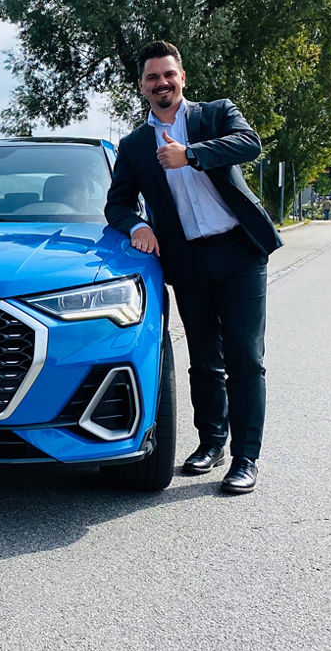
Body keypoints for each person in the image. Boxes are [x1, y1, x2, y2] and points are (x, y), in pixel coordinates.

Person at [105, 40, 283, 494]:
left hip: (239, 253)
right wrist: (136, 228)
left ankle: (246, 458)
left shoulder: (215, 115)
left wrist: (191, 154)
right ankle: (211, 444)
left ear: (182, 78)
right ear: (142, 87)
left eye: (168, 74)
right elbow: (117, 204)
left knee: (244, 356)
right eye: (152, 77)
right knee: (204, 359)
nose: (161, 83)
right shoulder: (135, 144)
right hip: (187, 259)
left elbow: (249, 144)